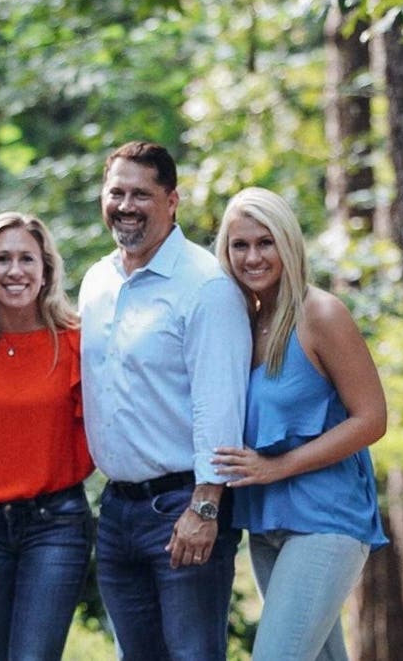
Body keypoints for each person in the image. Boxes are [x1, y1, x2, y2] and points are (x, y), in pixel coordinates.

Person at [78, 140, 252, 660]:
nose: (126, 205)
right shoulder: (97, 281)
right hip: (117, 510)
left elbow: (220, 404)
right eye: (116, 192)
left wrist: (205, 505)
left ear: (172, 201)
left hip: (184, 508)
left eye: (141, 194)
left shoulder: (205, 286)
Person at [211, 187, 389, 660]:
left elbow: (372, 419)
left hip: (325, 521)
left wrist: (278, 466)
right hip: (266, 523)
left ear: (288, 243)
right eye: (239, 245)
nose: (252, 257)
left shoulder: (321, 314)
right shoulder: (240, 324)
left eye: (265, 242)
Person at [0, 212, 95, 661]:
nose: (15, 271)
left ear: (46, 269)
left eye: (27, 259)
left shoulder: (77, 343)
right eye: (3, 259)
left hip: (56, 524)